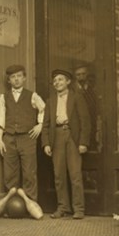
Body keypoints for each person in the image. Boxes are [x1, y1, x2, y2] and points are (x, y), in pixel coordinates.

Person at [0, 64, 45, 210]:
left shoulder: (32, 96)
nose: (16, 80)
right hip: (8, 138)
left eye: (19, 76)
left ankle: (30, 206)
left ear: (24, 78)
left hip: (27, 138)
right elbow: (0, 119)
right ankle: (12, 207)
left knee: (29, 171)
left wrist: (39, 125)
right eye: (13, 77)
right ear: (9, 80)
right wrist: (0, 140)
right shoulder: (4, 97)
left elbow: (45, 111)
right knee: (10, 172)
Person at [41, 69, 91, 219]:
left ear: (68, 82)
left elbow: (85, 121)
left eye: (60, 79)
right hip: (56, 137)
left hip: (72, 137)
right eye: (55, 81)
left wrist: (83, 142)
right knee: (59, 175)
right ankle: (63, 207)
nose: (57, 83)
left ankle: (79, 209)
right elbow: (45, 124)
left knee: (75, 174)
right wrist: (46, 143)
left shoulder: (77, 97)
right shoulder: (50, 101)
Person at [74, 65, 99, 151]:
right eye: (78, 74)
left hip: (91, 122)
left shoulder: (93, 89)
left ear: (87, 74)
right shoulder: (71, 90)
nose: (81, 77)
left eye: (83, 74)